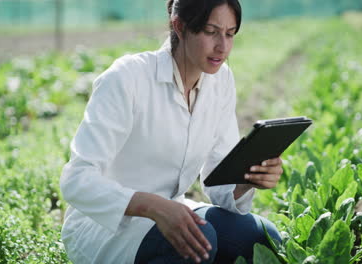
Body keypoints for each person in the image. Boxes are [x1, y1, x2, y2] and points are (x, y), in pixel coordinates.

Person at [60, 0, 283, 263]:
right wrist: (152, 206)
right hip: (103, 226)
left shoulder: (220, 80)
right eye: (211, 32)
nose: (222, 47)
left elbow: (217, 180)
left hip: (173, 210)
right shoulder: (127, 78)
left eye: (230, 33)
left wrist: (246, 180)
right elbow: (76, 181)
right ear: (179, 26)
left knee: (263, 238)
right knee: (201, 243)